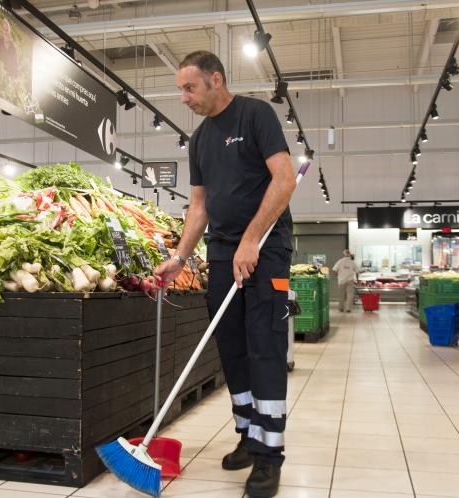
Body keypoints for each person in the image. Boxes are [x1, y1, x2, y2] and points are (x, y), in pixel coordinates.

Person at [154, 50, 296, 498]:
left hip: (266, 250)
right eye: (181, 89)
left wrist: (251, 240)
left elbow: (285, 178)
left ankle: (270, 455)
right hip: (220, 254)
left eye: (189, 88)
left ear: (216, 79)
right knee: (231, 348)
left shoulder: (256, 115)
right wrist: (180, 256)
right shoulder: (198, 141)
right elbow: (199, 207)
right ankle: (248, 436)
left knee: (264, 347)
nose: (184, 98)